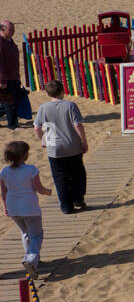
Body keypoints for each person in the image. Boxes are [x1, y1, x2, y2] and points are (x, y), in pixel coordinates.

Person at [33, 79, 88, 214]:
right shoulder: (70, 105)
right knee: (78, 174)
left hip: (54, 147)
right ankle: (77, 199)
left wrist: (43, 139)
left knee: (60, 177)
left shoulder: (43, 108)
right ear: (63, 91)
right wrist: (84, 141)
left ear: (47, 93)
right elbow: (78, 125)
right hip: (72, 146)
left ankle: (66, 206)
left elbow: (37, 128)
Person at [2, 140, 52, 278]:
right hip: (29, 207)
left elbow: (4, 192)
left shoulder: (4, 172)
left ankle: (33, 258)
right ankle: (30, 259)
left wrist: (5, 207)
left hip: (13, 207)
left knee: (25, 233)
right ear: (25, 155)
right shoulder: (31, 170)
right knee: (36, 235)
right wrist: (48, 192)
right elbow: (38, 188)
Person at [0, 20, 23, 129]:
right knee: (10, 102)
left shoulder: (9, 40)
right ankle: (13, 125)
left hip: (13, 76)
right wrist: (2, 80)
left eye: (13, 29)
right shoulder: (1, 42)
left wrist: (17, 75)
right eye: (11, 29)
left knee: (13, 100)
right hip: (6, 78)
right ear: (2, 29)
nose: (13, 31)